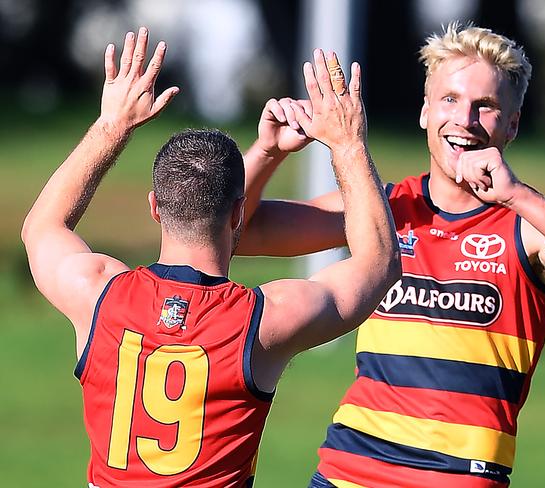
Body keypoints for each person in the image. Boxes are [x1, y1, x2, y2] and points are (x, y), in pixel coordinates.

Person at [239, 23, 545, 487]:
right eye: (450, 100)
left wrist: (518, 196)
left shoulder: (526, 226)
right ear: (424, 112)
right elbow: (238, 233)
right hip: (346, 473)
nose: (464, 120)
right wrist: (267, 152)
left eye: (486, 106)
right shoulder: (381, 211)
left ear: (512, 124)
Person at [20, 27, 400, 487]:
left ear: (155, 206)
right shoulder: (264, 322)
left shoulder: (97, 293)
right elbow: (378, 264)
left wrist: (111, 126)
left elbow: (41, 227)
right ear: (240, 211)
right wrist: (347, 143)